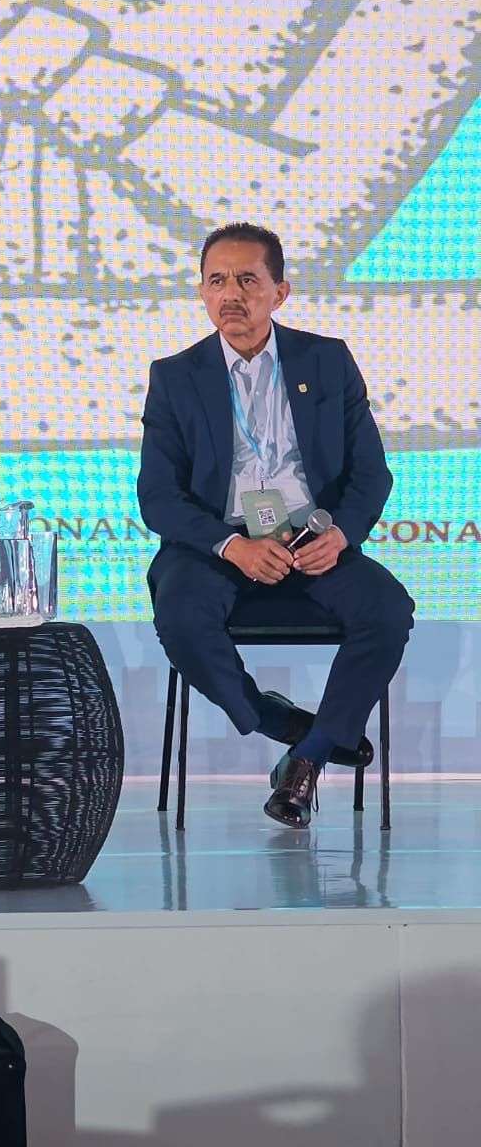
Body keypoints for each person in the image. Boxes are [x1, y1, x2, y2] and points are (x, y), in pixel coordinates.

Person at [137, 222, 415, 829]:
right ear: (201, 291)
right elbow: (157, 497)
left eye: (247, 280)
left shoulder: (327, 360)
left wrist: (340, 535)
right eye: (216, 281)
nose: (230, 295)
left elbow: (372, 474)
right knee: (180, 616)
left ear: (279, 292)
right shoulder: (175, 376)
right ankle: (276, 720)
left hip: (312, 539)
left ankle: (307, 758)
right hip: (219, 544)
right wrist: (231, 545)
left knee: (388, 610)